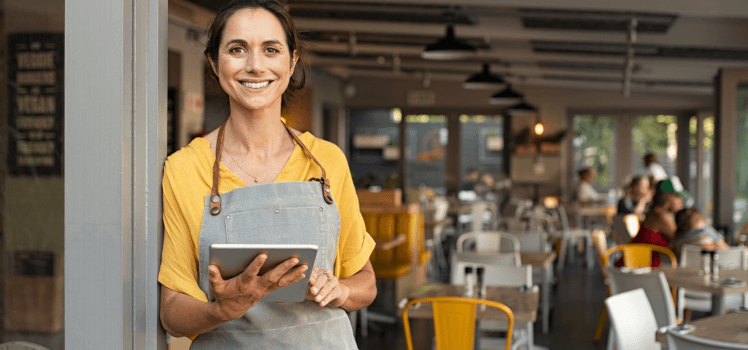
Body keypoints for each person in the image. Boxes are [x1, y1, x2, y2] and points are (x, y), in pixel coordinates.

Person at [158, 1, 376, 348]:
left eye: (271, 50)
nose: (255, 65)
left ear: (291, 62)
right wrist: (221, 309)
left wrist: (341, 289)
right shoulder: (185, 169)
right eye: (237, 49)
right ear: (215, 63)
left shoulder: (327, 161)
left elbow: (365, 282)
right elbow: (171, 311)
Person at [629, 191, 684, 267]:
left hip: (635, 263)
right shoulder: (661, 216)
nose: (681, 201)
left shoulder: (654, 212)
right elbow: (681, 238)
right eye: (677, 197)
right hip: (639, 268)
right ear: (668, 199)